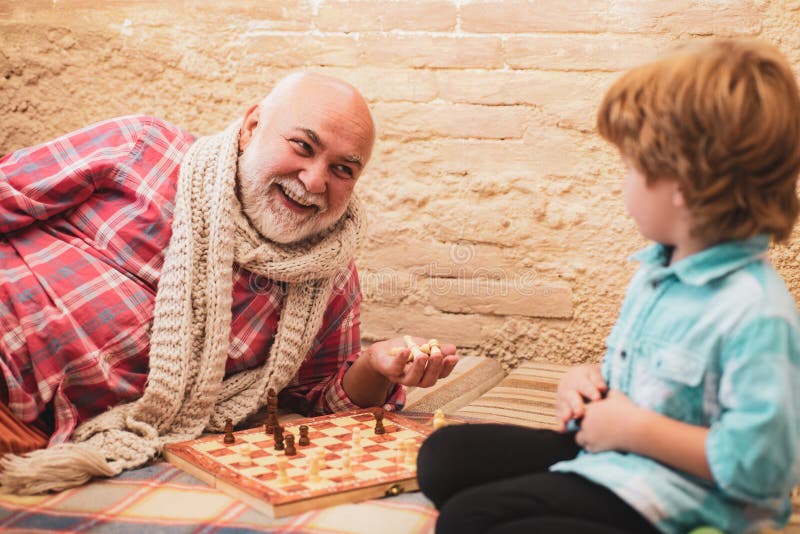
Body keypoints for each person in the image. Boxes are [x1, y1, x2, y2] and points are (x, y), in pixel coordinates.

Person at [0, 72, 458, 493]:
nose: (314, 180)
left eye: (343, 169)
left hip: (35, 427)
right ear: (252, 126)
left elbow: (322, 398)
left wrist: (376, 365)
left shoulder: (329, 281)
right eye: (302, 146)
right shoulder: (141, 148)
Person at [417, 38, 800, 534]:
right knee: (445, 457)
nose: (624, 183)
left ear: (683, 184)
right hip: (619, 458)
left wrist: (634, 430)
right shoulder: (658, 273)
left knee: (468, 520)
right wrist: (587, 385)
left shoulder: (755, 313)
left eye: (630, 167)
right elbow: (654, 385)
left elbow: (763, 468)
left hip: (682, 500)